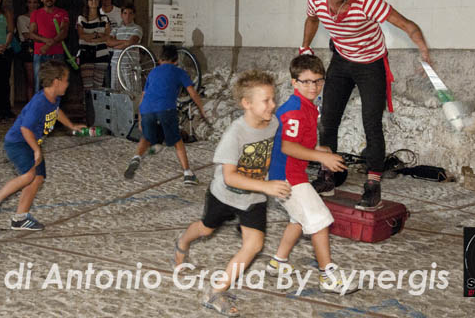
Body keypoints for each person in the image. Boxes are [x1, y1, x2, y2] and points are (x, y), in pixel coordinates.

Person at [300, 0, 430, 208]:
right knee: (327, 120)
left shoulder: (367, 1)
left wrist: (423, 49)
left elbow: (407, 25)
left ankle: (373, 185)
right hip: (342, 61)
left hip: (371, 64)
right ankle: (327, 177)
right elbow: (312, 19)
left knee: (371, 124)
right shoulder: (316, 1)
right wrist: (305, 46)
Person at [171, 70, 291, 317]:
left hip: (253, 197)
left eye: (273, 98)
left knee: (254, 244)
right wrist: (266, 186)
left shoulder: (273, 124)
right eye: (266, 100)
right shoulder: (234, 134)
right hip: (225, 195)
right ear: (247, 104)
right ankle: (183, 241)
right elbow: (230, 176)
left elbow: (274, 153)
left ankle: (216, 291)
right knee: (206, 229)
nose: (273, 104)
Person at [266, 54, 351, 294]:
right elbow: (287, 146)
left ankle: (278, 262)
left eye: (318, 81)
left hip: (291, 174)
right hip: (287, 177)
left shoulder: (307, 106)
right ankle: (327, 276)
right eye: (306, 81)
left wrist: (319, 150)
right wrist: (321, 157)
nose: (313, 86)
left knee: (299, 218)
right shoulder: (294, 110)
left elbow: (299, 142)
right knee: (319, 220)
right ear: (294, 82)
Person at [0, 60, 85, 230]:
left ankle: (20, 218)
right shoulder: (39, 103)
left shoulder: (53, 98)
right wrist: (36, 150)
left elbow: (56, 112)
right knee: (29, 176)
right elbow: (25, 128)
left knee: (38, 179)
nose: (67, 84)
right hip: (18, 143)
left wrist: (71, 126)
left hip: (31, 143)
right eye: (66, 80)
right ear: (56, 81)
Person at [125, 45, 207, 184]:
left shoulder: (153, 72)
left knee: (146, 138)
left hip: (146, 109)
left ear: (160, 59)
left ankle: (136, 157)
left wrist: (140, 118)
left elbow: (143, 96)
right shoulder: (179, 72)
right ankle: (188, 174)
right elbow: (193, 93)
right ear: (176, 60)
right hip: (166, 108)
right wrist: (202, 109)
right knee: (177, 141)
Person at [28, 0, 69, 93]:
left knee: (58, 86)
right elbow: (32, 33)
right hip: (40, 54)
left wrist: (48, 44)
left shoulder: (62, 13)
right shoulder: (35, 14)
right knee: (39, 86)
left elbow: (64, 32)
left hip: (57, 54)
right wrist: (47, 41)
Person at [76, 0, 110, 92]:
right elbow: (82, 36)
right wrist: (97, 35)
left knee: (98, 88)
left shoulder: (104, 18)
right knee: (88, 87)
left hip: (102, 54)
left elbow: (107, 36)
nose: (94, 1)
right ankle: (88, 103)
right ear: (86, 2)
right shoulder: (81, 18)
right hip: (86, 54)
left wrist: (91, 37)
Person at [106, 3, 143, 91]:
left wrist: (116, 44)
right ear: (121, 15)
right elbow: (109, 42)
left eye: (130, 13)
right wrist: (124, 42)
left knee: (132, 92)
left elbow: (132, 42)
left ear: (134, 15)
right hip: (116, 64)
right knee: (115, 92)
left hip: (130, 65)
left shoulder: (137, 28)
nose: (127, 16)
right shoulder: (116, 28)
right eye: (125, 13)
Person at [16, 0, 41, 102]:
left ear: (39, 4)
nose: (32, 5)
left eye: (35, 2)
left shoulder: (42, 17)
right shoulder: (22, 18)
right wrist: (41, 36)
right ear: (26, 4)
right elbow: (26, 35)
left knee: (42, 80)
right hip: (29, 49)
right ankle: (31, 105)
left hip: (42, 48)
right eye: (30, 2)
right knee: (31, 80)